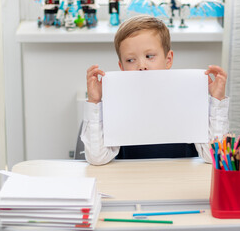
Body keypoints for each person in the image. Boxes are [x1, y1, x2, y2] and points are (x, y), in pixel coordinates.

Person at [81, 15, 229, 165]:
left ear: (168, 59)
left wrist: (217, 101)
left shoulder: (187, 96)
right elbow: (97, 158)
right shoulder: (118, 101)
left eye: (149, 56)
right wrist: (95, 102)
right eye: (130, 60)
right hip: (130, 179)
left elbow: (215, 157)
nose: (141, 65)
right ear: (122, 67)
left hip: (180, 178)